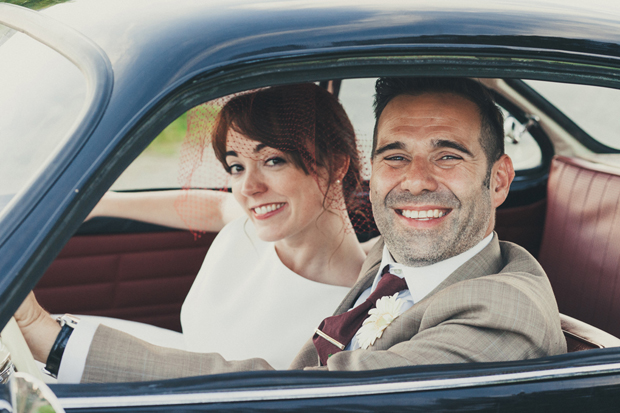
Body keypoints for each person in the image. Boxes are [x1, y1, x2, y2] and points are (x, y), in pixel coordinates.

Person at [15, 77, 566, 383]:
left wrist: (49, 334)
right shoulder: (392, 259)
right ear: (371, 171)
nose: (415, 181)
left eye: (446, 156)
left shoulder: (498, 314)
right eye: (396, 156)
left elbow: (304, 395)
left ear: (498, 180)